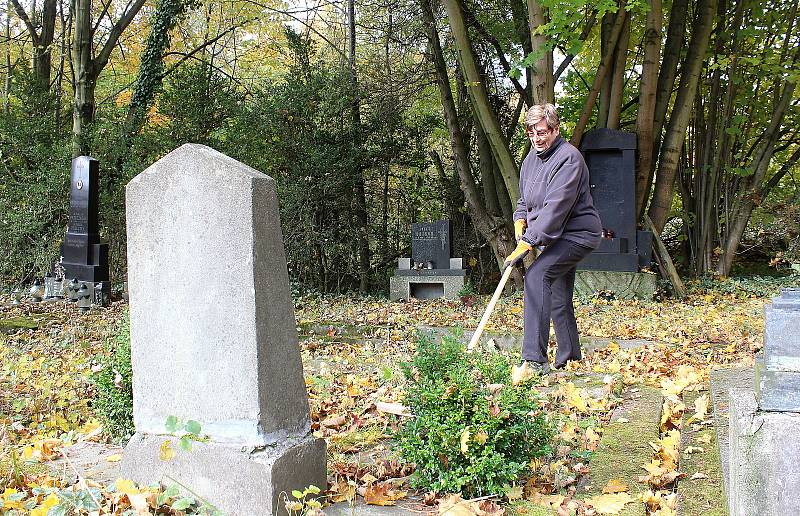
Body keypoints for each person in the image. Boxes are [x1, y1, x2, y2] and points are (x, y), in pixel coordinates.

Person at [503, 104, 602, 374]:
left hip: (578, 234)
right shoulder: (530, 160)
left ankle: (534, 360)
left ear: (556, 130)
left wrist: (529, 241)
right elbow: (525, 199)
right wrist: (519, 218)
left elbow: (555, 207)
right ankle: (570, 358)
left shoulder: (569, 159)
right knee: (557, 295)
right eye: (532, 133)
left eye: (542, 132)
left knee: (536, 277)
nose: (537, 138)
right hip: (554, 237)